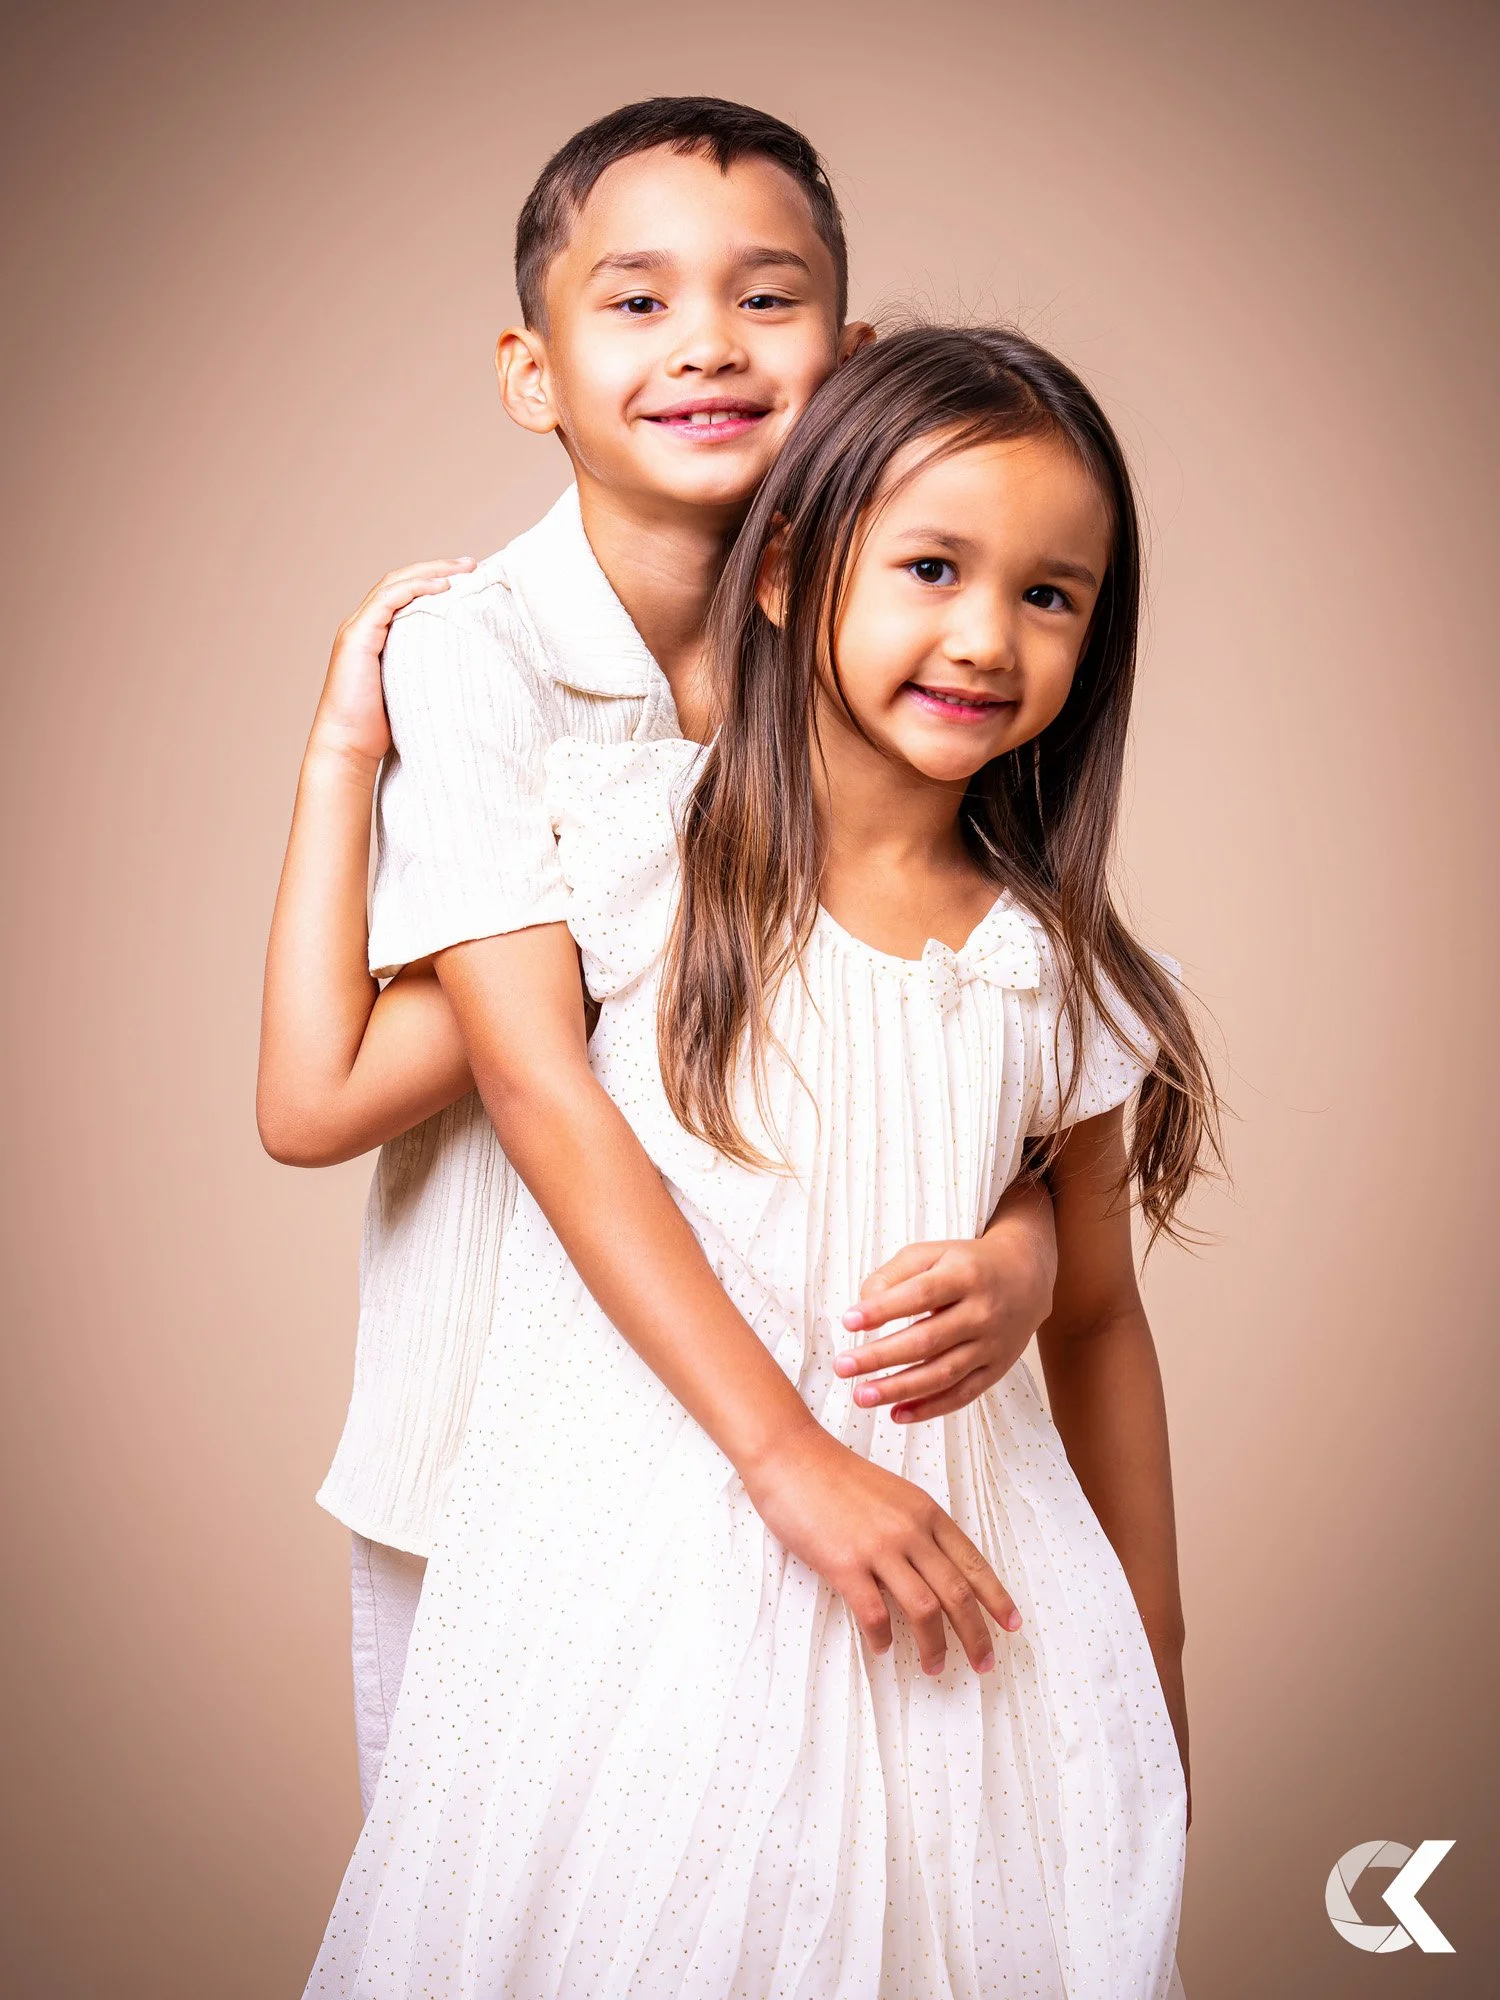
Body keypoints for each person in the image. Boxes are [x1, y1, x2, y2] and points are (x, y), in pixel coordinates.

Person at [298, 324, 1220, 1998]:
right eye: (934, 565)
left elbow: (1094, 1319)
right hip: (653, 1594)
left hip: (962, 1615)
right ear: (788, 572)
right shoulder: (631, 849)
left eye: (1052, 594)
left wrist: (1153, 1649)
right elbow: (347, 1093)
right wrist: (341, 763)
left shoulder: (1051, 968)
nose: (986, 635)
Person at [259, 98, 1060, 1812]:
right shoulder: (487, 656)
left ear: (844, 357)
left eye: (765, 300)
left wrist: (1027, 1250)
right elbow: (461, 1082)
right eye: (637, 301)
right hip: (505, 1459)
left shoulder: (890, 644)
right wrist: (341, 760)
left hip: (799, 1439)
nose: (707, 340)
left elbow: (991, 1024)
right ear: (531, 371)